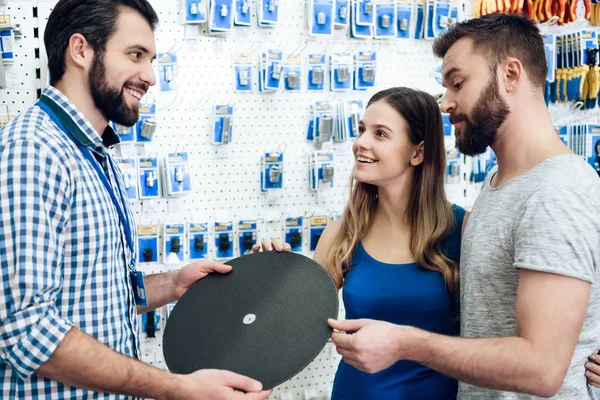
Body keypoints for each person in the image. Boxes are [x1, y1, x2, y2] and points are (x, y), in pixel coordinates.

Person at [0, 0, 270, 398]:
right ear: (80, 50)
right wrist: (176, 389)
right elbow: (26, 329)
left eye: (152, 59)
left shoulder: (94, 154)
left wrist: (174, 284)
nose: (150, 77)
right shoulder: (33, 150)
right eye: (135, 55)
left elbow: (95, 295)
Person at [327, 14, 600, 399]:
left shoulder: (555, 192)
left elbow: (541, 370)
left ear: (510, 74)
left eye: (458, 83)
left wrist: (405, 343)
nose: (444, 103)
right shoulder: (499, 186)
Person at [257, 86, 468, 399]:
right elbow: (298, 328)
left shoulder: (462, 230)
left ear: (418, 152)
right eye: (361, 130)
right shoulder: (342, 234)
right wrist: (264, 280)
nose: (360, 143)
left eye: (380, 133)